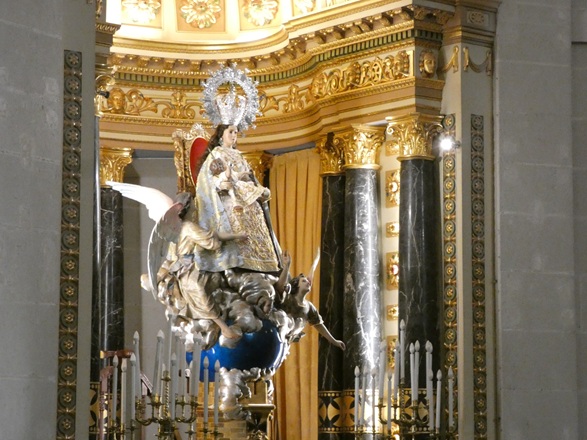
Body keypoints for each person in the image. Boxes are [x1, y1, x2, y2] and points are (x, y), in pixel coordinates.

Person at [195, 124, 281, 274]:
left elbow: (249, 176)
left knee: (256, 213)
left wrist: (254, 185)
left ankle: (263, 262)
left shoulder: (238, 154)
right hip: (228, 196)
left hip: (245, 193)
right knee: (236, 217)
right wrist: (224, 181)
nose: (234, 135)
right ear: (221, 135)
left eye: (236, 132)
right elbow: (210, 178)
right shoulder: (217, 153)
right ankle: (237, 262)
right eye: (230, 132)